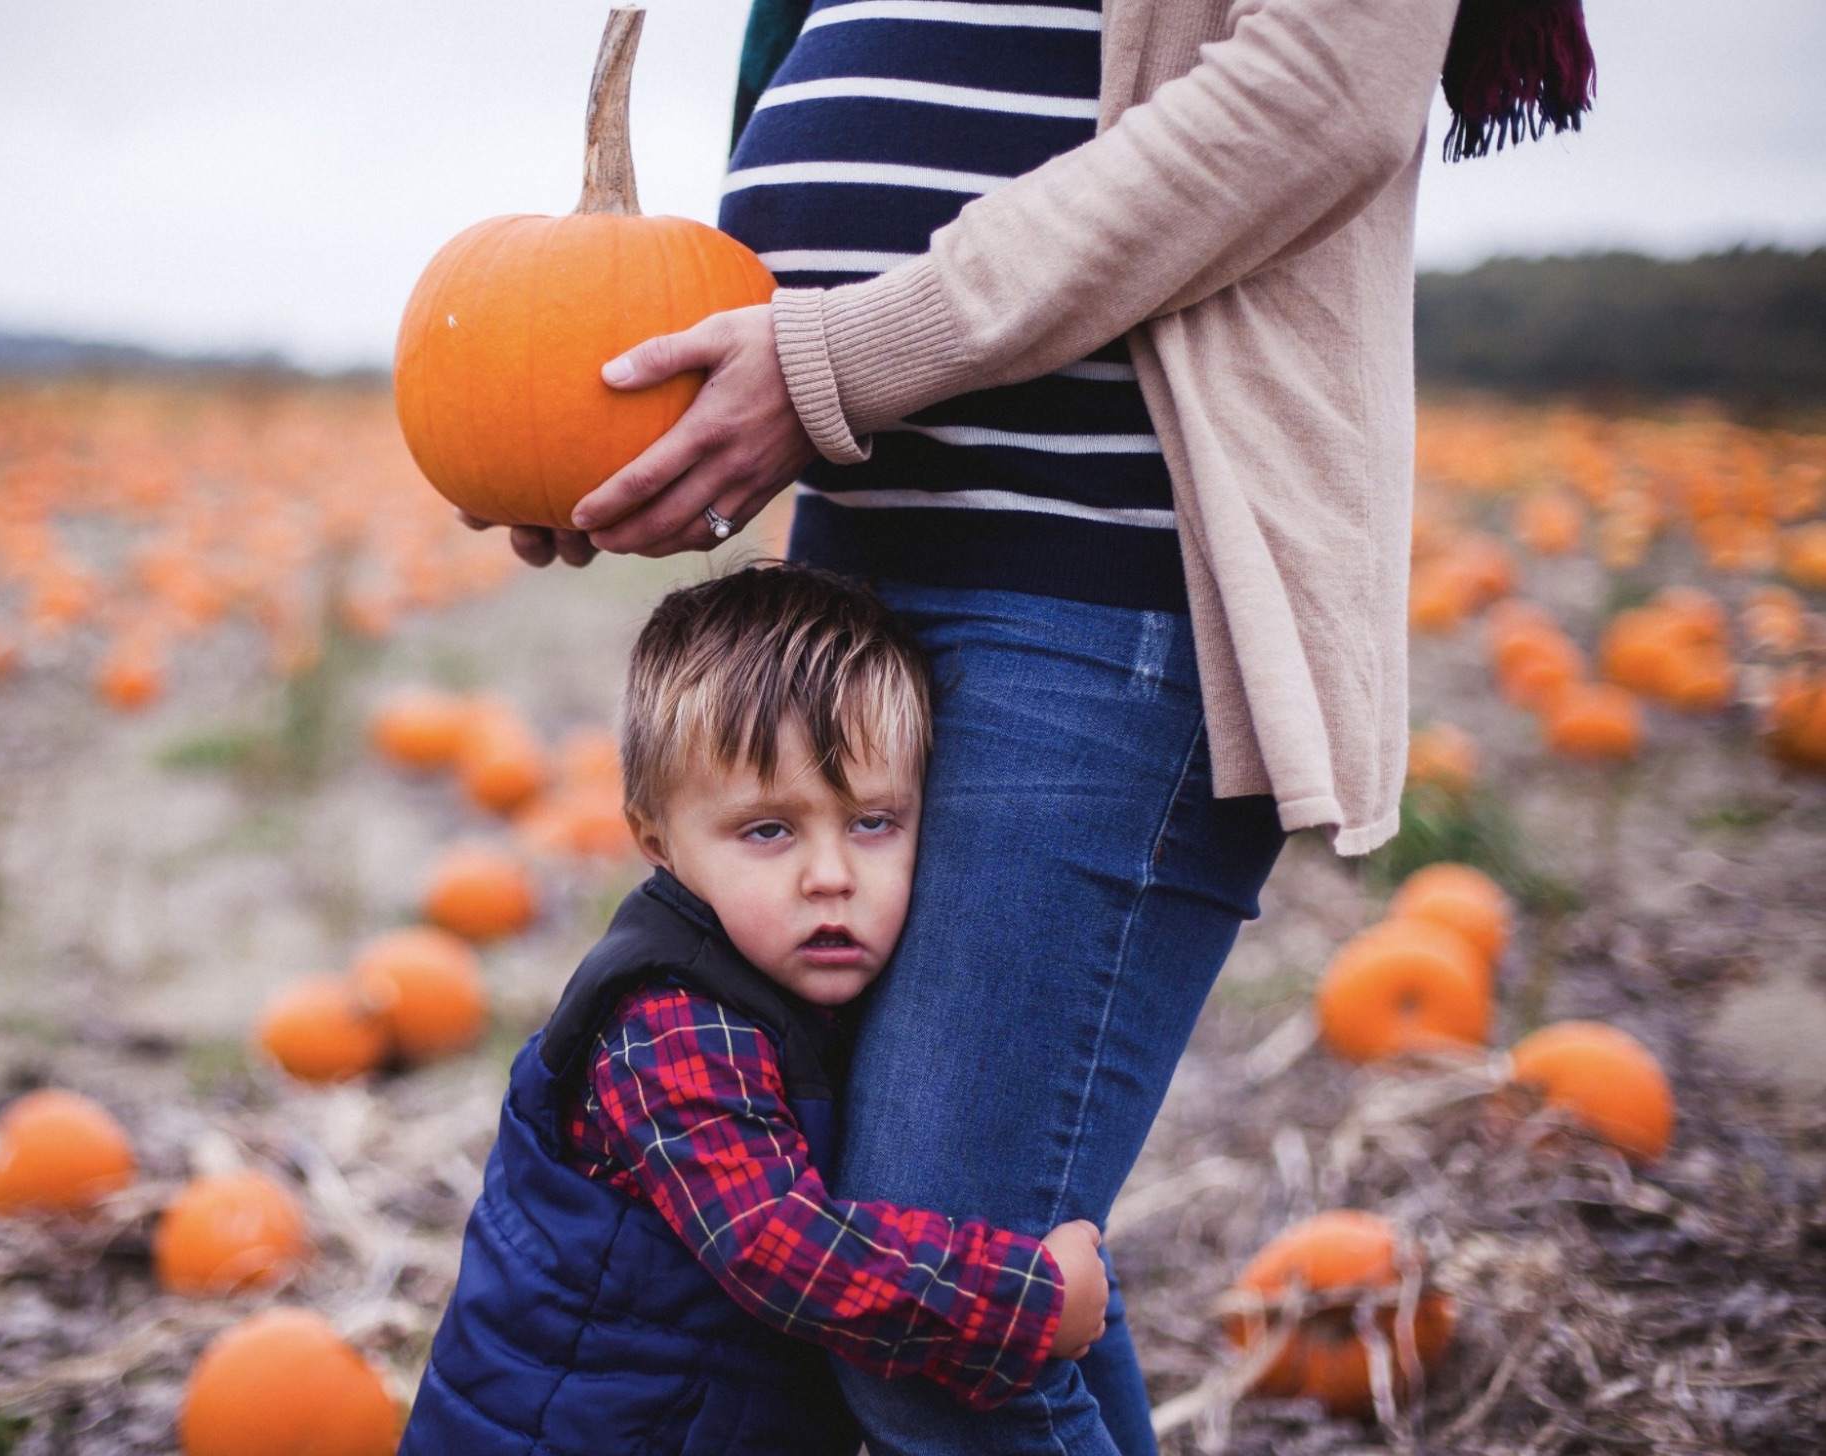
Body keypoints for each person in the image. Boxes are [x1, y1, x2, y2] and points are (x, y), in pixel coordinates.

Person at [468, 0, 1594, 1449]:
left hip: (1104, 576)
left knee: (932, 1340)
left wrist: (840, 360)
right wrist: (603, 428)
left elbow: (1327, 87)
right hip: (862, 562)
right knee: (992, 1294)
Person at [399, 564, 1110, 1455]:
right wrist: (1019, 1303)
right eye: (768, 830)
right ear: (658, 843)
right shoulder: (671, 1024)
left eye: (873, 822)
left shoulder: (790, 973)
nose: (830, 876)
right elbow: (776, 1247)